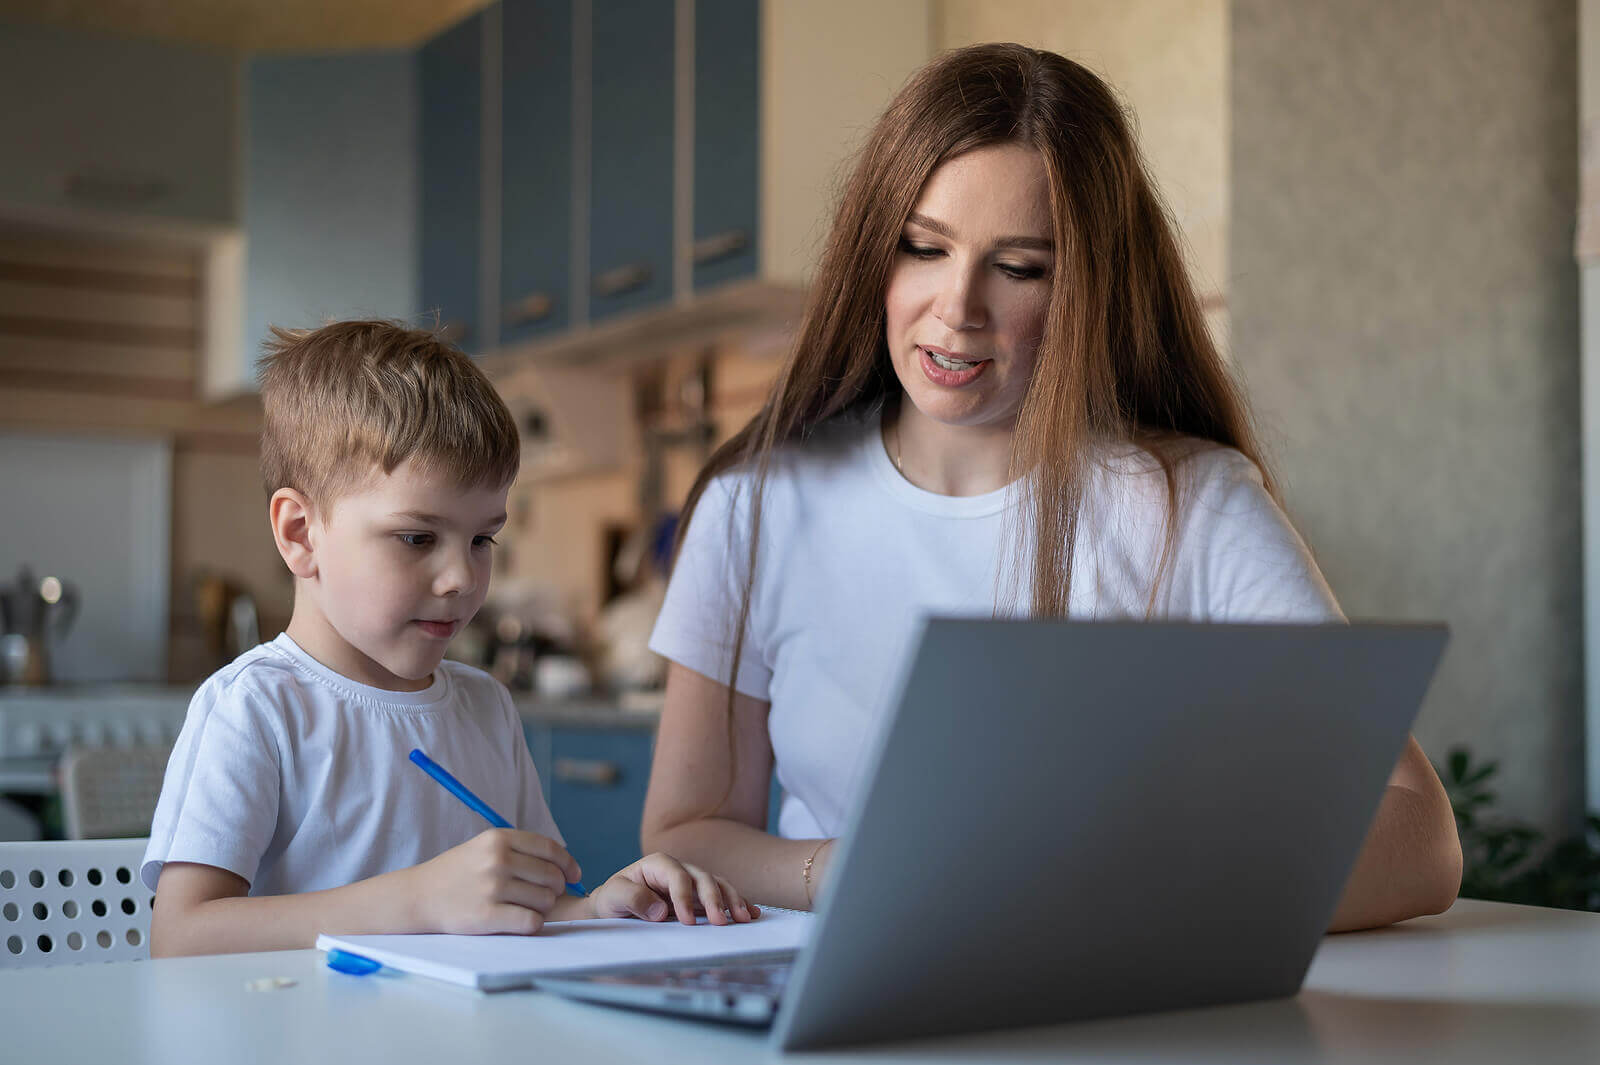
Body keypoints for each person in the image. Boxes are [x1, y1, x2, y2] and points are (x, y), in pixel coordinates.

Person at [639, 43, 1462, 931]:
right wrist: (839, 873)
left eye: (1020, 267)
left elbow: (1420, 835)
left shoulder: (1193, 504)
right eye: (923, 247)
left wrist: (1124, 890)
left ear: (1086, 288)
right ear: (874, 250)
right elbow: (686, 829)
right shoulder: (754, 507)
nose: (958, 308)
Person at [145, 321, 756, 957]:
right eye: (418, 538)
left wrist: (599, 907)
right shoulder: (257, 708)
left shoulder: (487, 707)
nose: (462, 577)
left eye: (482, 539)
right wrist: (418, 901)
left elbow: (528, 907)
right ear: (301, 533)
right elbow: (180, 937)